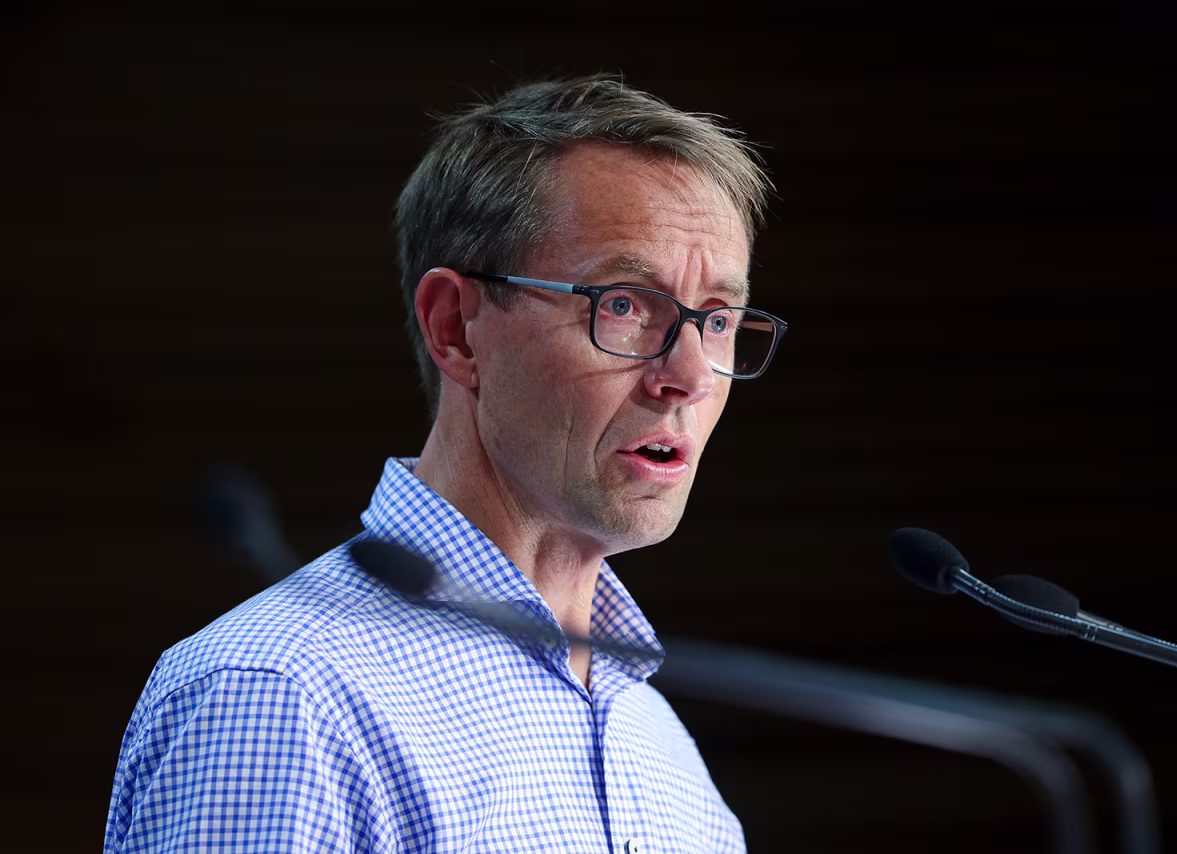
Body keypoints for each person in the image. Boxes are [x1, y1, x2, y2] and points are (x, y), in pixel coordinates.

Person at [105, 74, 786, 853]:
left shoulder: (660, 751)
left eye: (719, 319)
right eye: (626, 305)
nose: (691, 375)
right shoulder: (281, 695)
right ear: (456, 328)